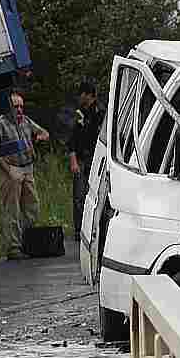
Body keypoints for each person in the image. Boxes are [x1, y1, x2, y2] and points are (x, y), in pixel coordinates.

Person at [0, 92, 50, 260]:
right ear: (8, 107)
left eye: (21, 106)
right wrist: (8, 170)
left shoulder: (26, 121)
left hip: (27, 168)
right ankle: (13, 248)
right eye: (16, 106)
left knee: (32, 207)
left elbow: (45, 133)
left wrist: (39, 136)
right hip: (11, 170)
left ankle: (28, 242)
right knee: (12, 209)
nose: (20, 110)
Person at [67, 80, 105, 243]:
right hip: (82, 158)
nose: (79, 97)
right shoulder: (79, 113)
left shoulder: (101, 112)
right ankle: (79, 230)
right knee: (79, 196)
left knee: (96, 194)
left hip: (97, 158)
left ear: (88, 95)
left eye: (81, 94)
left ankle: (94, 228)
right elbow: (72, 139)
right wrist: (73, 160)